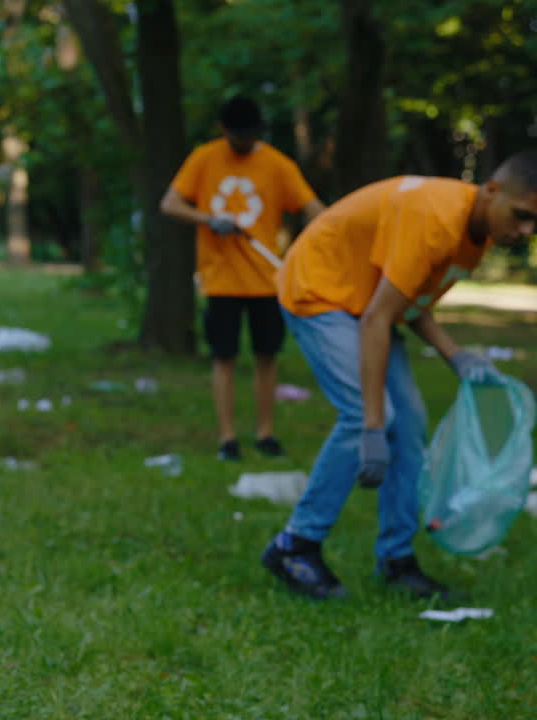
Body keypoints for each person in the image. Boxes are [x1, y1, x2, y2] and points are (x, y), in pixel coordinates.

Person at [261, 151, 537, 600]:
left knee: (408, 423)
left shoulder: (478, 235)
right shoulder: (436, 221)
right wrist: (371, 427)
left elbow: (408, 303)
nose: (525, 231)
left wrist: (456, 355)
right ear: (491, 190)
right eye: (521, 215)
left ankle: (396, 558)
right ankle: (295, 546)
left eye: (534, 224)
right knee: (366, 417)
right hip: (319, 289)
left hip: (366, 301)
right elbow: (377, 320)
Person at [161, 96, 326, 460]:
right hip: (220, 280)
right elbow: (170, 203)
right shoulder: (204, 158)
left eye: (251, 137)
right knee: (224, 357)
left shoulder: (277, 165)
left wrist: (317, 241)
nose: (246, 144)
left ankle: (265, 433)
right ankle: (227, 438)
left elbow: (315, 211)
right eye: (239, 138)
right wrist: (207, 220)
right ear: (224, 131)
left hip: (266, 280)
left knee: (267, 356)